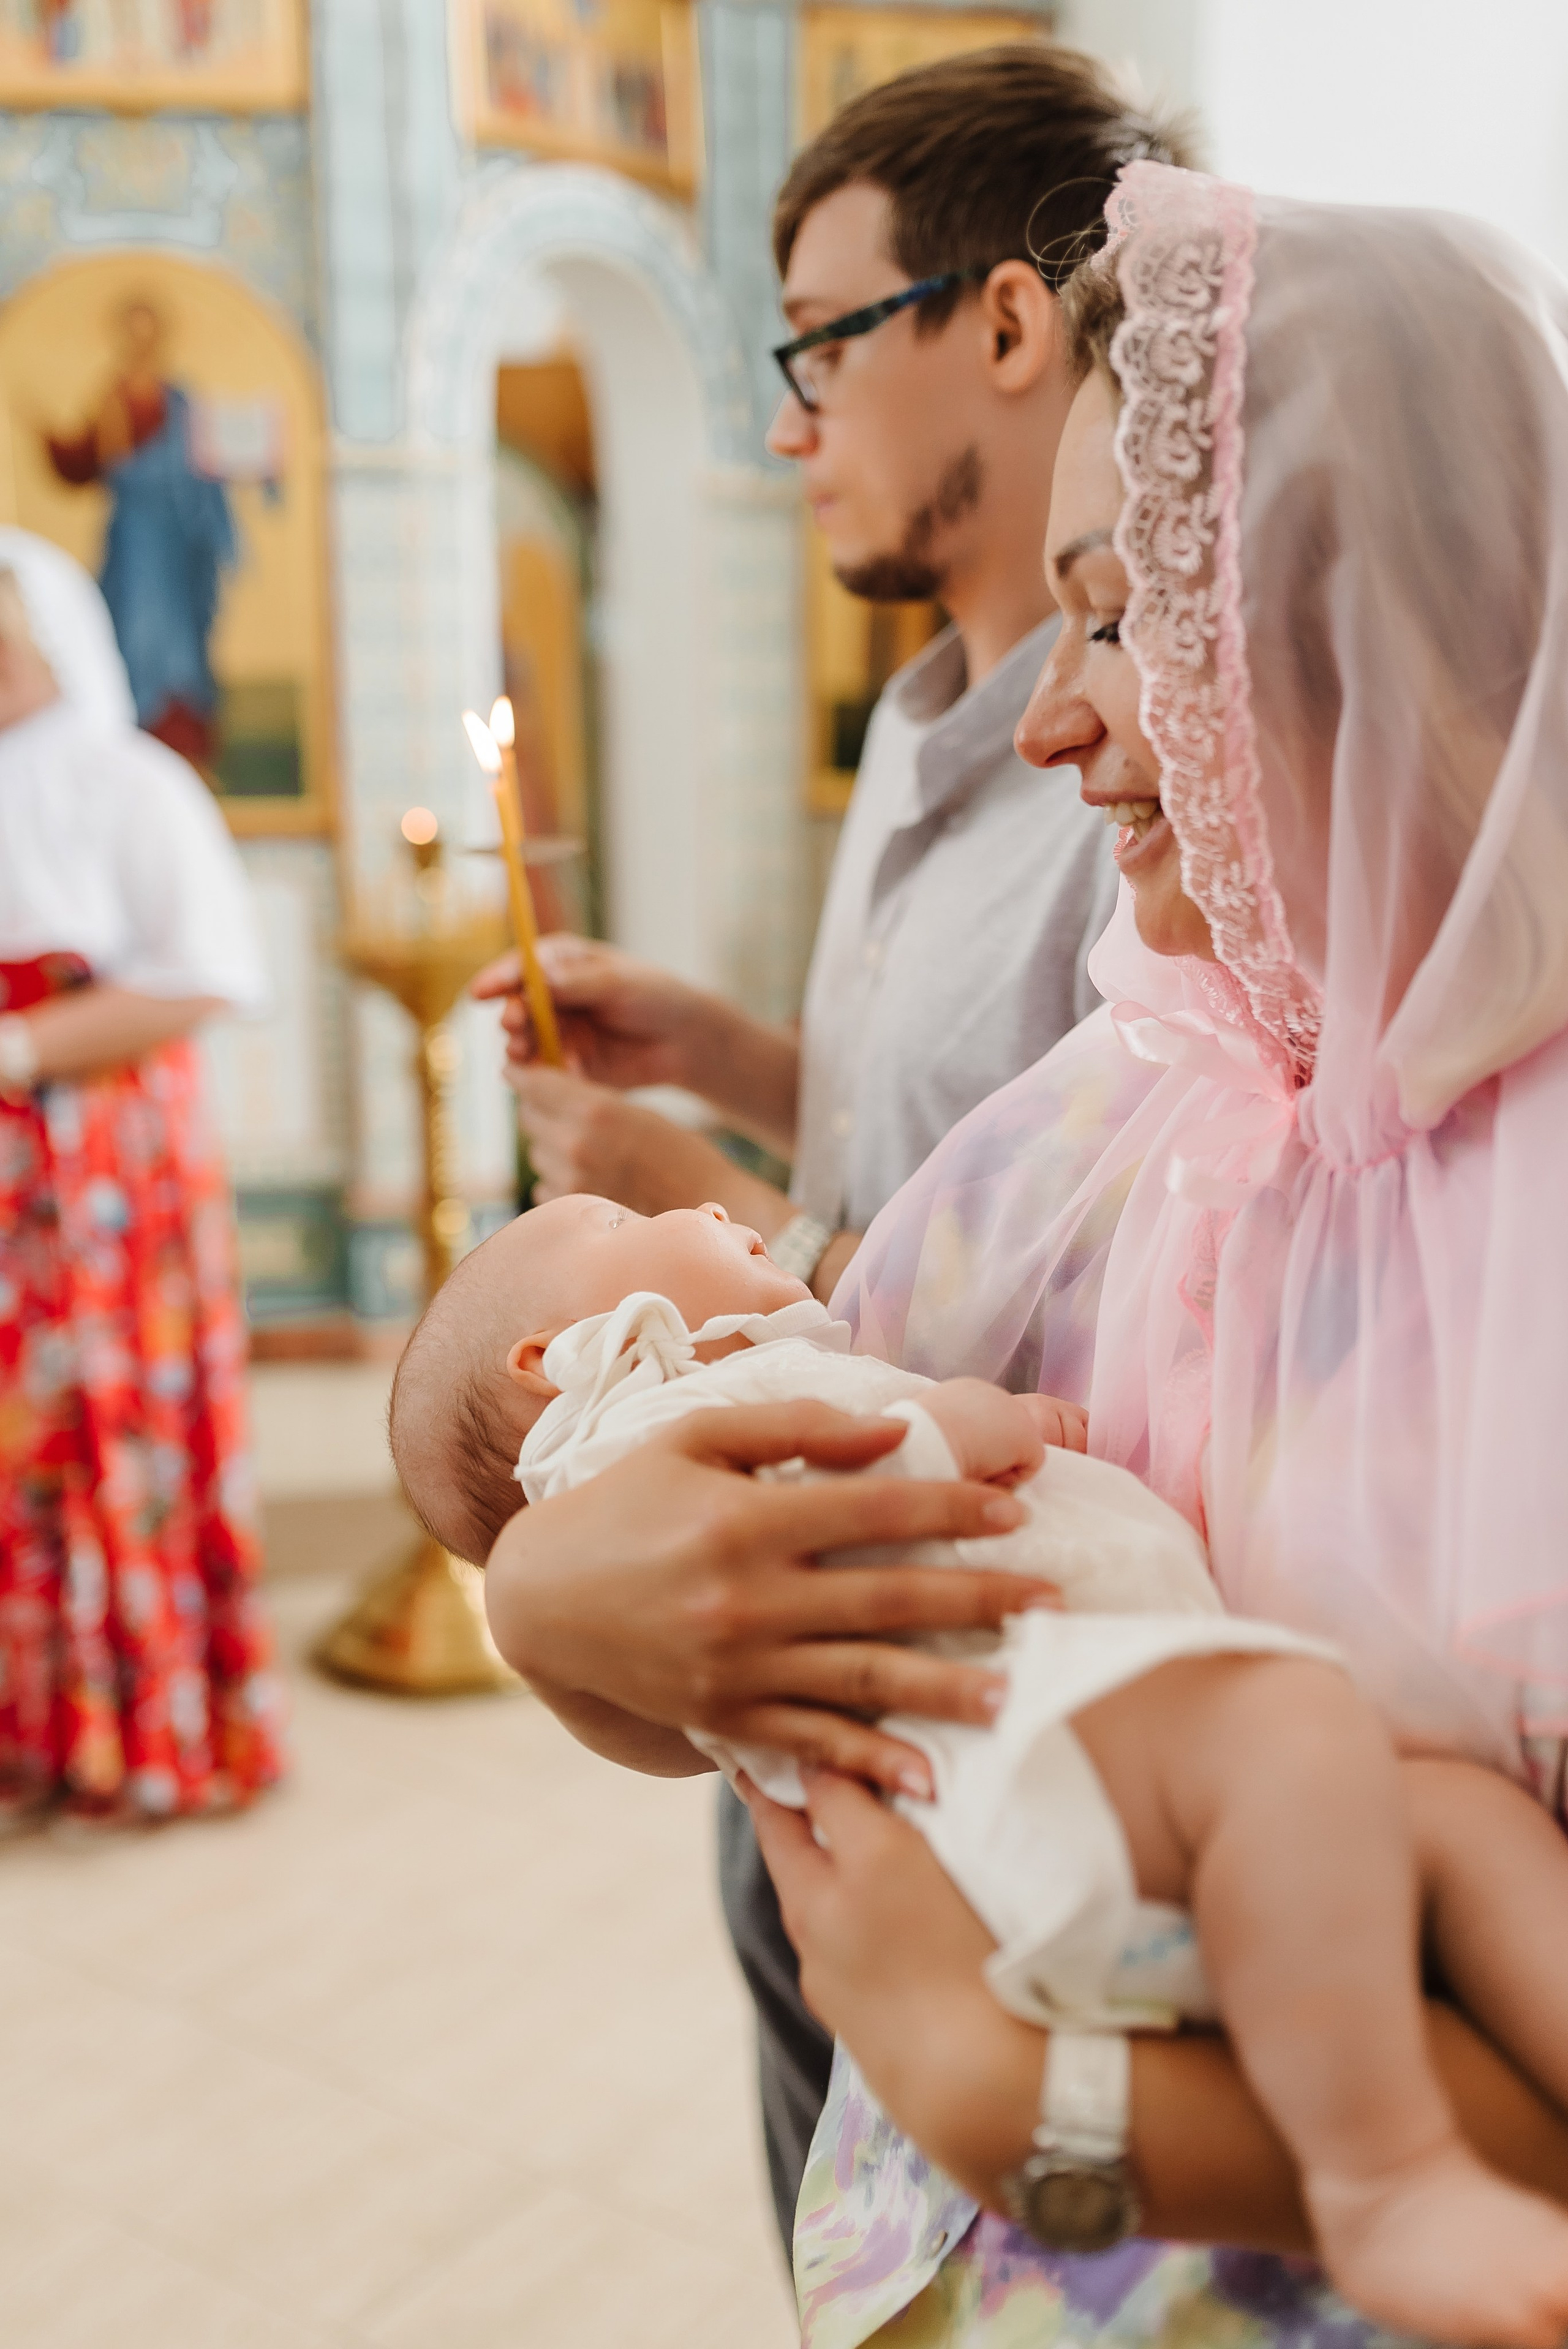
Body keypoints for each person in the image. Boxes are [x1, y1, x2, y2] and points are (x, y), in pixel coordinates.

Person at [481, 163, 1568, 2345]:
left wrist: (1010, 2088)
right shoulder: (1114, 1107)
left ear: (1337, 594)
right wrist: (554, 1599)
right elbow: (754, 1583)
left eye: (1115, 609)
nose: (1051, 722)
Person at [475, 43, 1188, 2239]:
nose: (784, 423)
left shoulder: (1147, 777)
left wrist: (702, 1212)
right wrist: (740, 1057)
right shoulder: (905, 723)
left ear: (997, 320)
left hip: (991, 1654)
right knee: (825, 2179)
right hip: (796, 1633)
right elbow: (963, 1118)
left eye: (813, 342)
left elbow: (1091, 1263)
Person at [404, 1193, 1568, 2339]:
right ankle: (1389, 2181)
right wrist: (959, 1426)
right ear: (560, 1357)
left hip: (1103, 1767)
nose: (700, 1200)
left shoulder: (756, 1390)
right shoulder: (643, 1429)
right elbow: (815, 1512)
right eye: (617, 1223)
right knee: (1297, 1731)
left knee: (1451, 1821)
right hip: (1032, 1771)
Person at [0, 527, 282, 1824]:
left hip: (104, 1164)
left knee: (114, 1424)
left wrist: (24, 1044)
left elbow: (202, 970)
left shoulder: (132, 782)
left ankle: (149, 1728)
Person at [44, 296, 236, 768]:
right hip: (133, 544)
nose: (140, 341)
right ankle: (135, 748)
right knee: (135, 635)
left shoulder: (181, 400)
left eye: (147, 331)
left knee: (182, 644)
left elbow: (212, 461)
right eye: (132, 331)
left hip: (179, 545)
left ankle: (185, 751)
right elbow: (84, 462)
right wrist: (52, 441)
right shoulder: (112, 398)